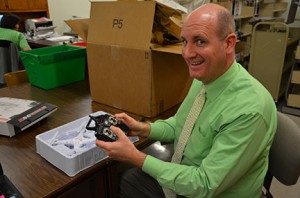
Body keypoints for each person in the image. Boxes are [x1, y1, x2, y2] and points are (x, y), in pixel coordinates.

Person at [96, 3, 277, 198]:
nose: (187, 53)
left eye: (200, 41)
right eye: (184, 41)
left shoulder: (249, 110)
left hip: (210, 190)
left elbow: (205, 184)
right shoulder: (206, 75)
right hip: (190, 173)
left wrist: (136, 157)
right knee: (129, 180)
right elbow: (181, 125)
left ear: (229, 43)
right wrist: (144, 128)